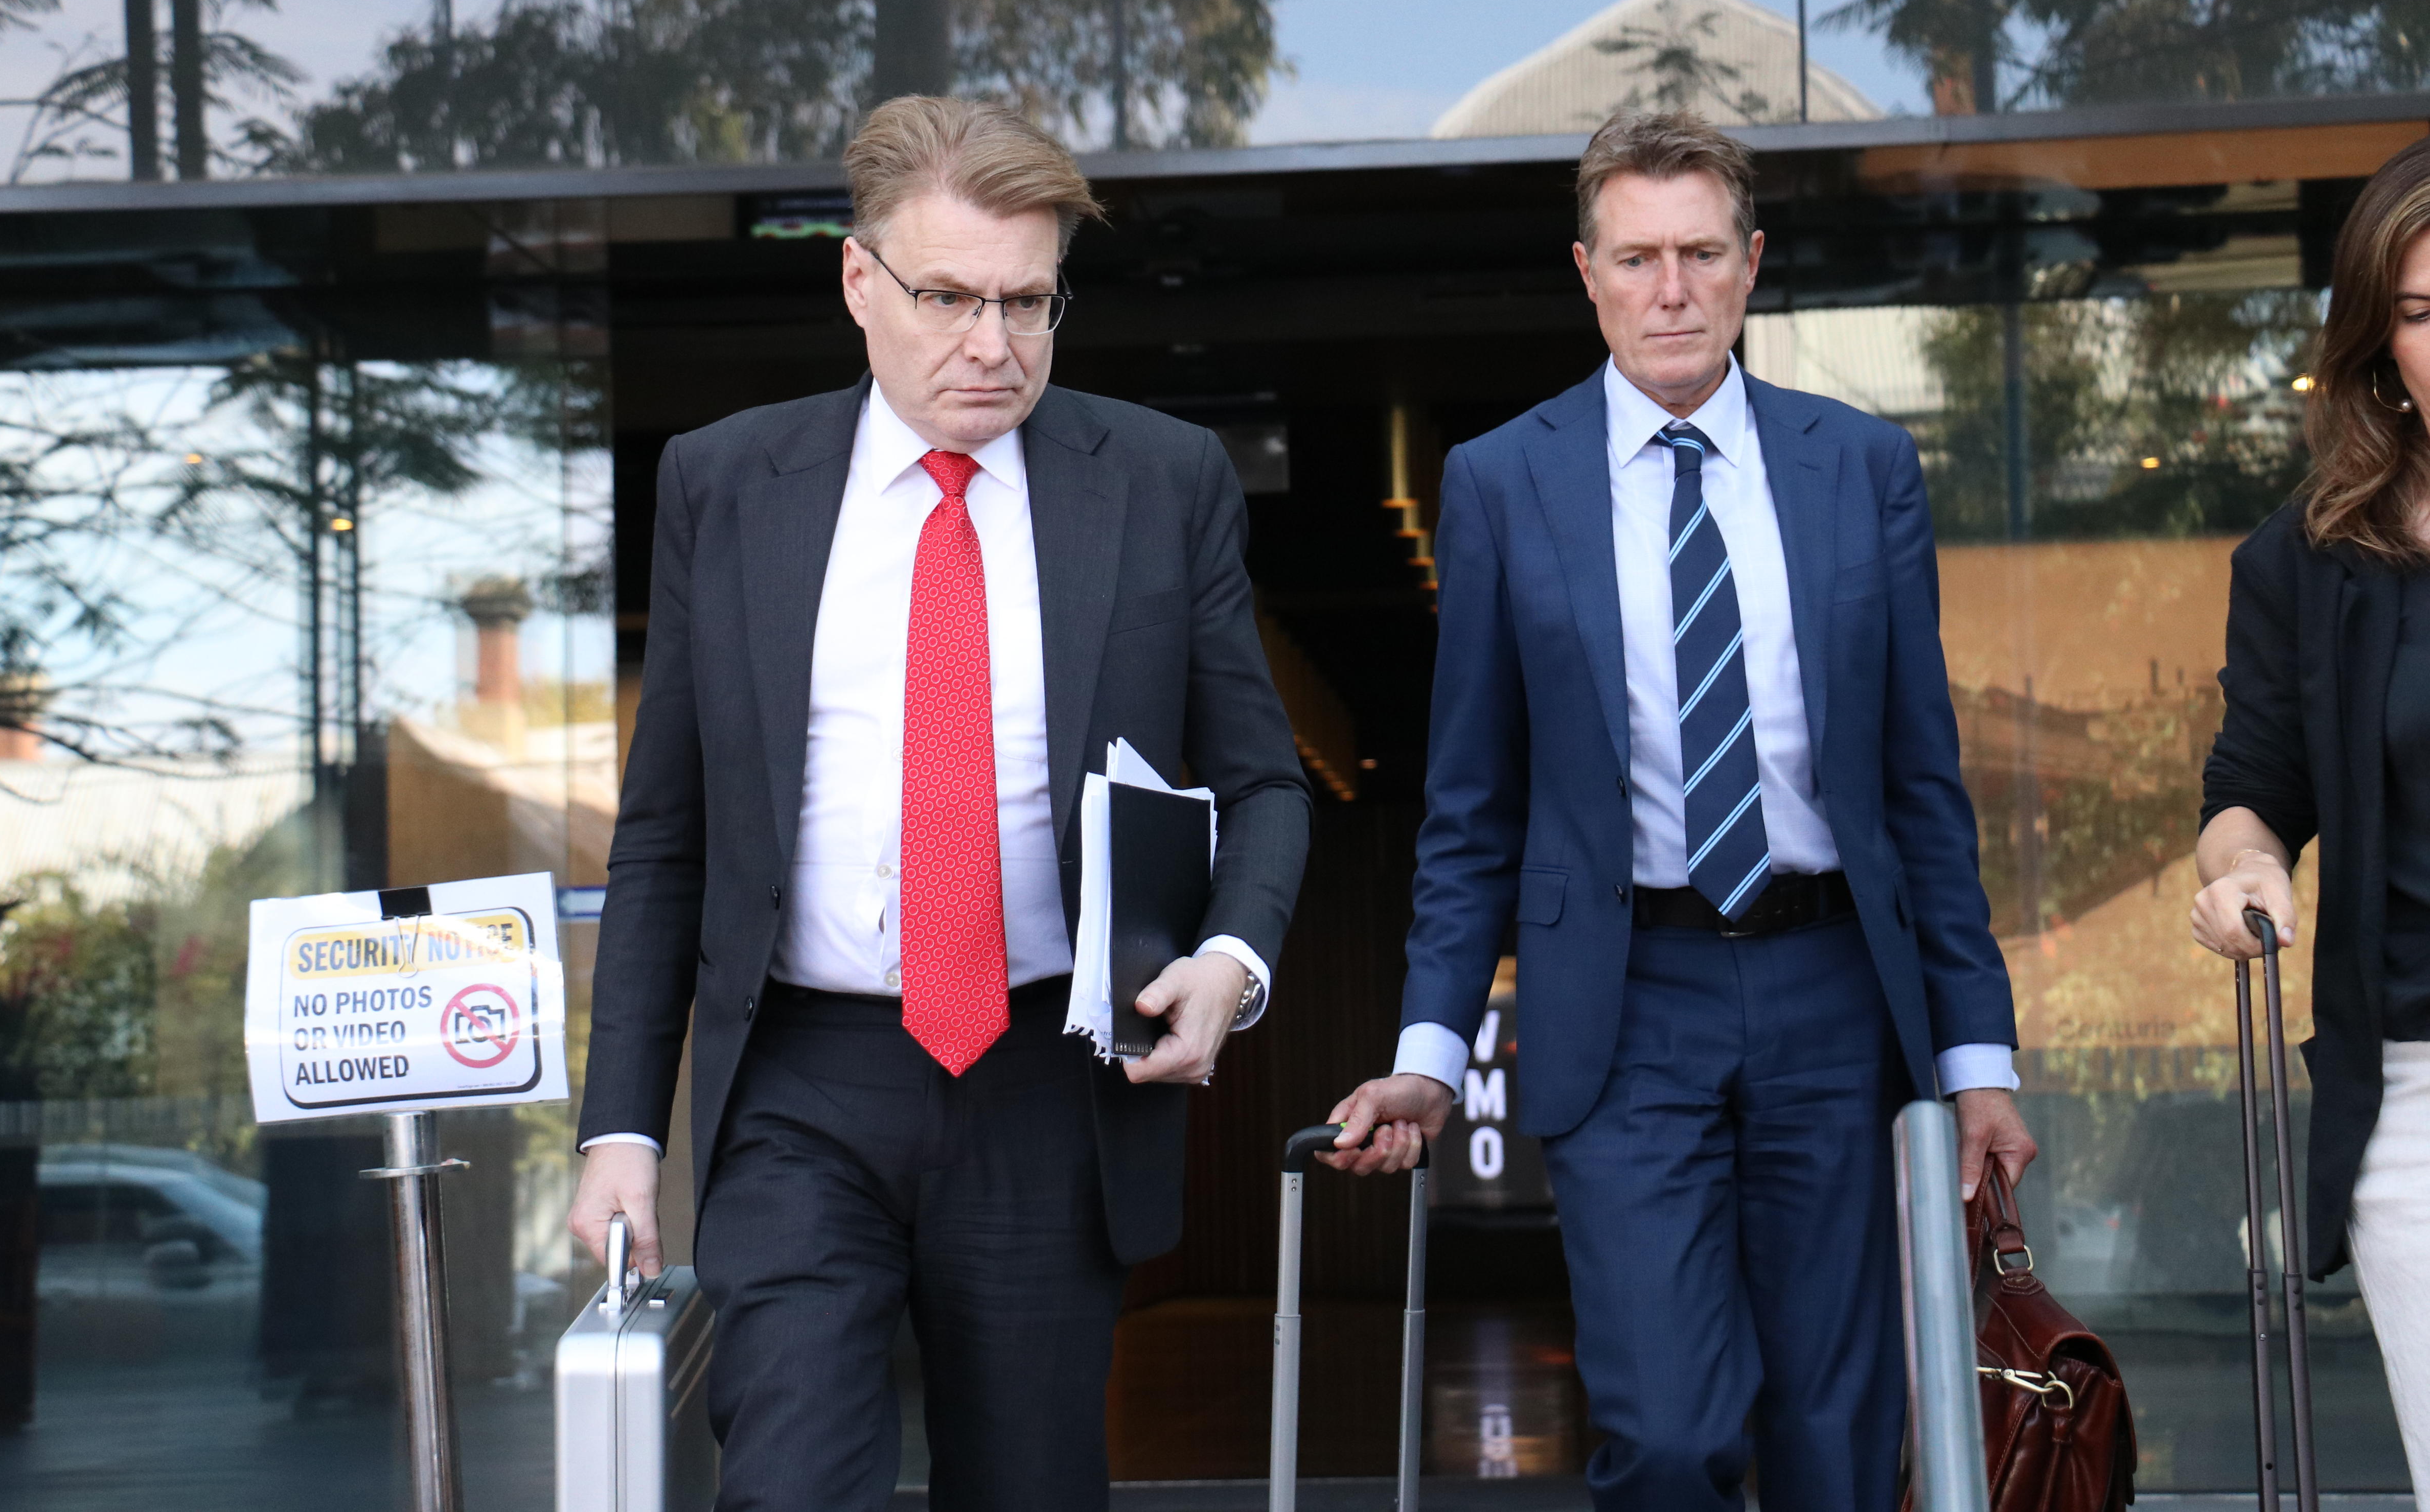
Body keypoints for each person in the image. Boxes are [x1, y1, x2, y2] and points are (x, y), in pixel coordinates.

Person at [566, 95, 1312, 1510]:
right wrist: (622, 1130)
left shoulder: (1158, 482)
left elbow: (1266, 782)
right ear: (860, 283)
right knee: (786, 1484)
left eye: (1030, 304)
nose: (994, 345)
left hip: (1047, 1084)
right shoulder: (728, 484)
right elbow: (667, 833)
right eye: (952, 297)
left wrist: (1231, 961)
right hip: (802, 1085)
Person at [1319, 109, 2034, 1512]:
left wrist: (1976, 1055)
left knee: (1836, 1433)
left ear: (1751, 262)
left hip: (1836, 992)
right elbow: (1471, 807)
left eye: (1701, 253)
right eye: (1637, 257)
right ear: (1587, 272)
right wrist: (1430, 1049)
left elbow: (1918, 792)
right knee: (1668, 1432)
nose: (1672, 290)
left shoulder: (1863, 467)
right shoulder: (1502, 483)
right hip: (1625, 997)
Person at [2195, 134, 2430, 1500]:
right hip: (2413, 1096)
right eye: (2418, 311)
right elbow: (2252, 794)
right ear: (2376, 345)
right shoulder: (2303, 563)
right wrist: (2239, 878)